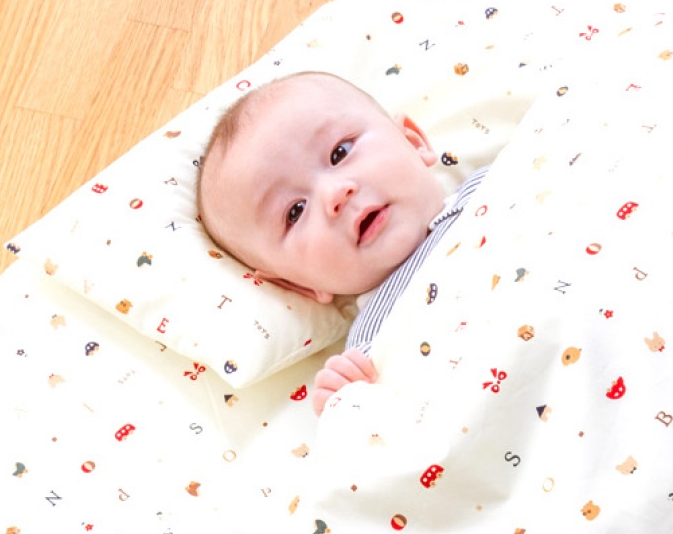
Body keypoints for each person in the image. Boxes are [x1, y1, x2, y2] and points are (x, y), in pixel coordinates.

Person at [197, 71, 486, 412]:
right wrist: (345, 404)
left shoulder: (499, 180)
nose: (335, 193)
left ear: (412, 141)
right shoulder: (370, 354)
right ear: (298, 285)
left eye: (340, 153)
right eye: (295, 212)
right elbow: (379, 435)